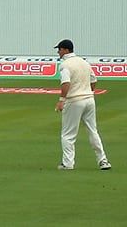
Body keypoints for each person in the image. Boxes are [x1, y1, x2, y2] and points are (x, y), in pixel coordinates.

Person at [54, 39, 111, 170]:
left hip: (74, 100)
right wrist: (88, 92)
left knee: (68, 134)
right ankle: (103, 161)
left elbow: (66, 83)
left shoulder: (65, 65)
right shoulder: (84, 62)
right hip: (89, 100)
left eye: (60, 49)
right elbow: (94, 80)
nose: (58, 52)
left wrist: (61, 100)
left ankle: (68, 164)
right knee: (93, 131)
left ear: (66, 50)